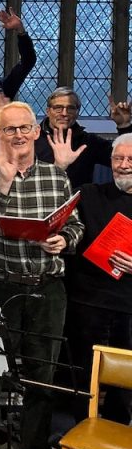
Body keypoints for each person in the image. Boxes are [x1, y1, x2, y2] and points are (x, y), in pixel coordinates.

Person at [0, 102, 85, 449]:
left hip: (47, 287)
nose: (17, 135)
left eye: (24, 128)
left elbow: (77, 224)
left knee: (42, 376)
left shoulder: (56, 176)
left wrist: (63, 239)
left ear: (36, 132)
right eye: (8, 129)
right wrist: (3, 180)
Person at [66, 135, 132, 423]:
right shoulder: (89, 193)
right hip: (87, 301)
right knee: (82, 375)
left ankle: (115, 443)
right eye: (118, 159)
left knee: (125, 385)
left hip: (129, 308)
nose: (124, 165)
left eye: (131, 160)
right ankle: (80, 435)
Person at [34, 88, 132, 188]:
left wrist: (124, 126)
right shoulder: (32, 140)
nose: (64, 113)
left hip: (81, 201)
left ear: (77, 112)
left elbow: (125, 158)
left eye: (71, 108)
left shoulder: (89, 142)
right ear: (48, 111)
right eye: (58, 108)